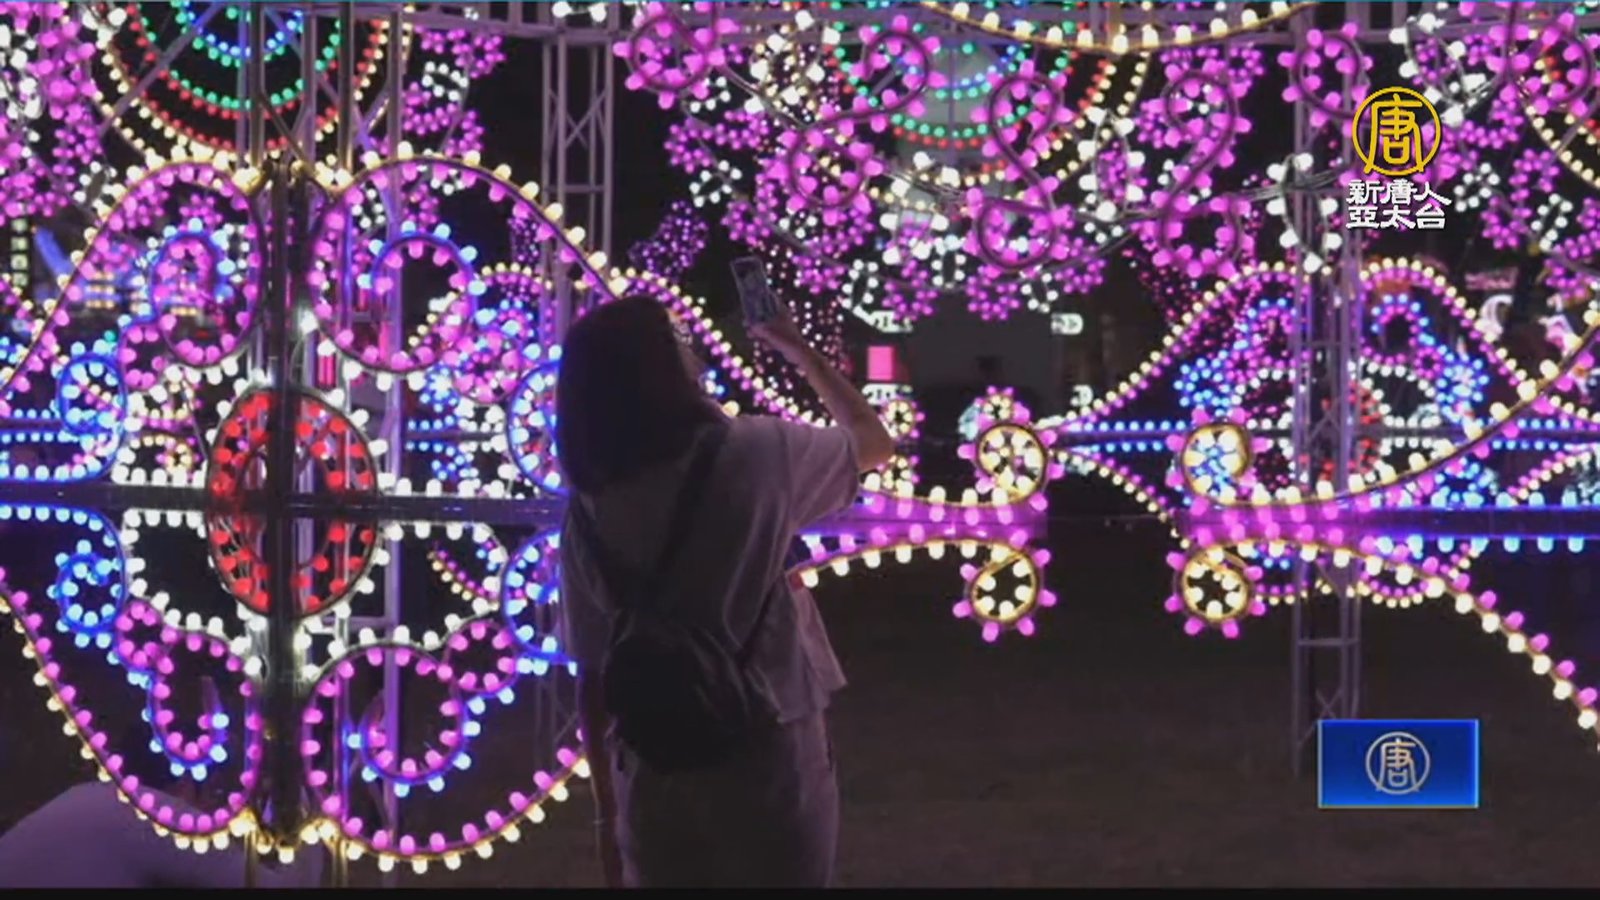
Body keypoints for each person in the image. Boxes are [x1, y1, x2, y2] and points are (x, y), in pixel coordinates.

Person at [556, 295, 893, 887]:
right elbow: (872, 442)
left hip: (653, 765)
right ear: (662, 366)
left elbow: (592, 675)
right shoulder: (758, 454)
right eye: (679, 338)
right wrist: (797, 349)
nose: (694, 351)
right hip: (768, 743)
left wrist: (608, 818)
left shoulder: (589, 508)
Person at [0, 721, 323, 888]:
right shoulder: (155, 814)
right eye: (213, 793)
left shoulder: (84, 798)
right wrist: (309, 799)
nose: (213, 810)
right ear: (185, 784)